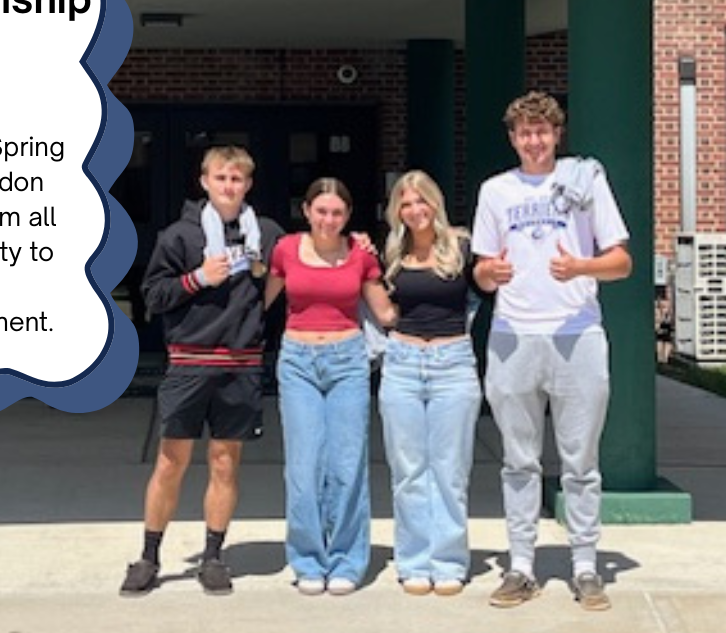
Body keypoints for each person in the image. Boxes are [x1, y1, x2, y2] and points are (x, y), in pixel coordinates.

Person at [471, 91, 632, 612]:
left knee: (580, 461)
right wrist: (487, 274)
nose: (533, 140)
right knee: (518, 460)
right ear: (512, 137)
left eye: (542, 131)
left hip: (576, 334)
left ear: (556, 133)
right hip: (514, 335)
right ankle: (521, 565)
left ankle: (585, 565)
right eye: (524, 132)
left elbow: (622, 262)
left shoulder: (586, 180)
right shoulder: (495, 191)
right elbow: (480, 269)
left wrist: (581, 268)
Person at [124, 145, 283, 597]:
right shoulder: (180, 235)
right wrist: (198, 279)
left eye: (237, 179)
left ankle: (214, 556)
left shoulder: (266, 232)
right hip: (190, 364)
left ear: (248, 184)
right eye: (221, 178)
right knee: (171, 463)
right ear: (205, 181)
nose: (229, 186)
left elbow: (293, 267)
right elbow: (153, 295)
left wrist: (255, 313)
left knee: (224, 464)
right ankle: (148, 557)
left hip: (241, 364)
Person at [264, 178, 391, 595]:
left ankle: (346, 560)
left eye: (337, 213)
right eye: (321, 211)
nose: (328, 220)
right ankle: (307, 559)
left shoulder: (360, 255)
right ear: (306, 211)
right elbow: (259, 300)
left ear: (347, 216)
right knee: (303, 466)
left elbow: (386, 311)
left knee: (347, 464)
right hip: (298, 361)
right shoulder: (285, 250)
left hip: (348, 361)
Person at [375, 170, 483, 597]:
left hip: (452, 362)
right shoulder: (393, 251)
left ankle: (449, 560)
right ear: (396, 210)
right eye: (406, 203)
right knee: (408, 470)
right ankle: (414, 560)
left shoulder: (462, 247)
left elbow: (490, 284)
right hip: (401, 362)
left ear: (435, 204)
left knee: (450, 470)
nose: (415, 210)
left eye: (422, 201)